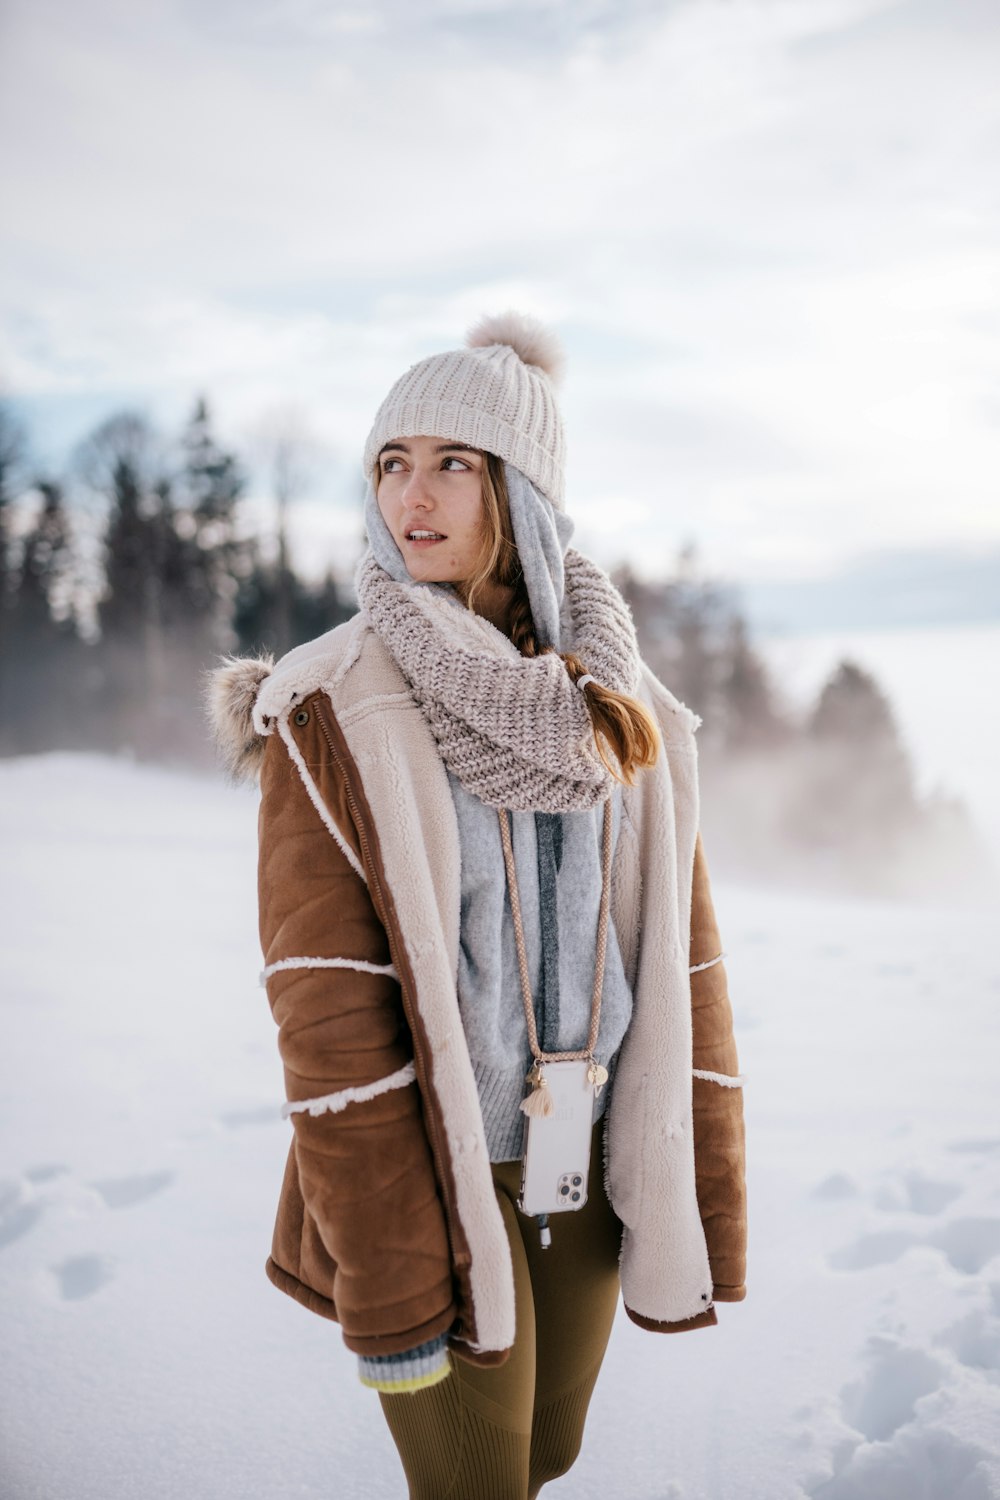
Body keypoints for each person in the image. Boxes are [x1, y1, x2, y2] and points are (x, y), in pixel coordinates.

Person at [207, 311, 747, 1500]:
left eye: (454, 461)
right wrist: (391, 1279)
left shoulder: (624, 704)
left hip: (587, 1154)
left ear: (526, 490)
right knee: (475, 1485)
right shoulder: (331, 703)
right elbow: (328, 1021)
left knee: (547, 1453)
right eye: (392, 463)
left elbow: (679, 961)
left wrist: (692, 1174)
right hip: (437, 1168)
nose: (415, 494)